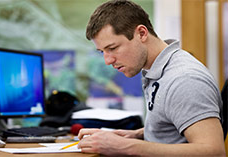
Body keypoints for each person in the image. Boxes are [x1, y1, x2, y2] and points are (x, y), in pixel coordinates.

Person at [77, 0, 226, 156]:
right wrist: (137, 134)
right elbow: (174, 125)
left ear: (142, 33)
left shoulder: (184, 80)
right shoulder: (158, 70)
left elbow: (213, 151)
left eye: (112, 48)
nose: (107, 61)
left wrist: (127, 146)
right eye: (102, 52)